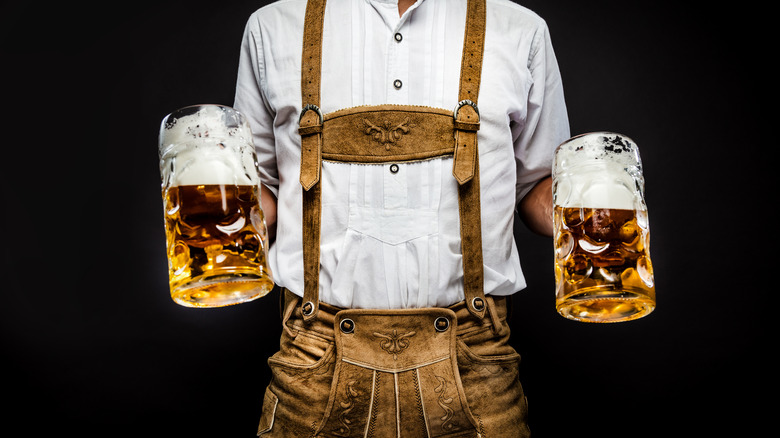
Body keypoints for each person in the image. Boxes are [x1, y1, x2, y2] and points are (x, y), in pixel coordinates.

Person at [234, 0, 569, 436]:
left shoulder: (520, 29)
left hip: (475, 361)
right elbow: (264, 193)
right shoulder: (272, 26)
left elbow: (533, 186)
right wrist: (215, 208)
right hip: (313, 358)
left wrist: (585, 209)